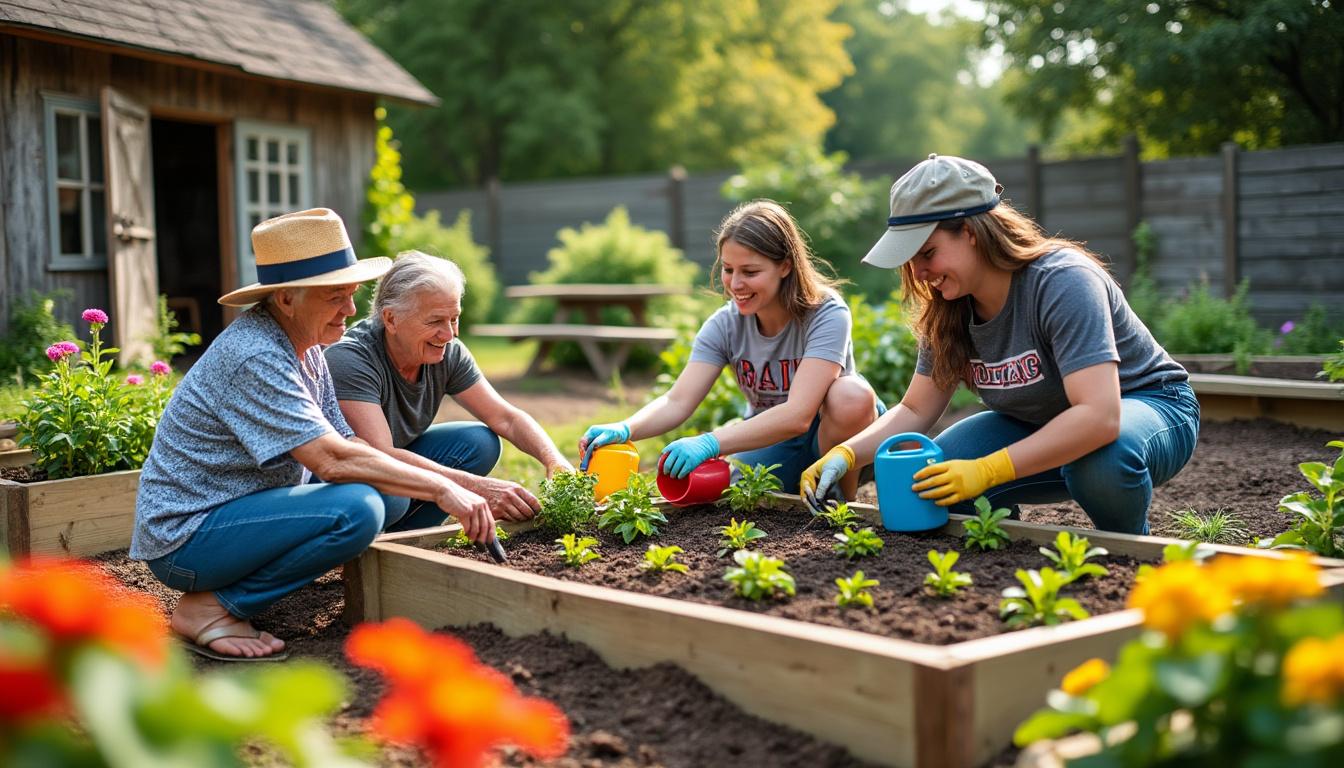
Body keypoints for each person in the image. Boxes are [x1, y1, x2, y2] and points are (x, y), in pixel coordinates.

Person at [132, 208, 495, 662]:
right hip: (189, 536)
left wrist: (423, 480)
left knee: (390, 493)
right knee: (357, 508)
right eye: (334, 297)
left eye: (351, 293)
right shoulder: (256, 356)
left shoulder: (307, 346)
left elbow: (350, 445)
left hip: (245, 514)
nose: (349, 309)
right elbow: (331, 461)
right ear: (286, 299)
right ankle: (212, 609)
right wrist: (446, 487)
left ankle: (374, 571)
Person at [801, 154, 1199, 534]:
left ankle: (1131, 551)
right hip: (1040, 422)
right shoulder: (949, 307)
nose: (919, 272)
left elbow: (1099, 417)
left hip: (1147, 409)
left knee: (1100, 461)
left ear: (971, 233)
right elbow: (916, 408)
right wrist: (845, 454)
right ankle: (1007, 545)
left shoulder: (1062, 281)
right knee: (938, 477)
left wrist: (990, 470)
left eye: (927, 253)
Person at [579, 200, 881, 495]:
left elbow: (799, 415)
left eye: (750, 272)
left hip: (843, 436)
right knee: (723, 491)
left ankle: (842, 499)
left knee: (850, 395)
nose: (735, 284)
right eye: (728, 269)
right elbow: (677, 400)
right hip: (772, 437)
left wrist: (710, 442)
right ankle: (806, 488)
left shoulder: (825, 313)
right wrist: (626, 427)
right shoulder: (725, 324)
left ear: (785, 266)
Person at [325, 251, 572, 526]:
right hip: (342, 479)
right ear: (391, 319)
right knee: (394, 494)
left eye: (454, 318)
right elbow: (381, 454)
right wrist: (477, 488)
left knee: (479, 443)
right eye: (435, 321)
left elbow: (506, 417)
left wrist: (555, 461)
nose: (450, 334)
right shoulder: (350, 359)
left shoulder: (447, 352)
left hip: (391, 465)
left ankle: (410, 536)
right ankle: (372, 542)